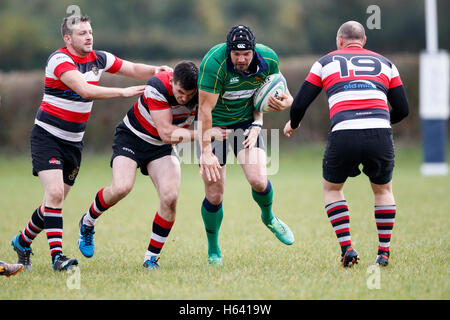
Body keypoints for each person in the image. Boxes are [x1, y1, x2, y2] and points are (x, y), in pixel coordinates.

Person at [11, 15, 172, 272]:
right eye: (82, 33)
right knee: (54, 196)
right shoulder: (59, 60)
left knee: (52, 204)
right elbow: (85, 89)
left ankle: (22, 241)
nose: (88, 36)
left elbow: (130, 68)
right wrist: (122, 92)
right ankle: (58, 258)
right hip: (47, 137)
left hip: (73, 143)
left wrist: (156, 71)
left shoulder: (98, 58)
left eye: (90, 31)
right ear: (68, 38)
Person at [77, 61, 226, 270]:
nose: (184, 98)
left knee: (170, 197)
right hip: (132, 139)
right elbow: (166, 133)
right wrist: (204, 134)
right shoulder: (158, 86)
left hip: (160, 149)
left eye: (189, 94)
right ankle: (88, 221)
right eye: (180, 92)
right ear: (173, 80)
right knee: (121, 187)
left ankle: (151, 258)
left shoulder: (201, 94)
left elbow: (207, 120)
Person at [284, 21, 409, 267]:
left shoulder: (325, 62)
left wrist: (294, 124)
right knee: (383, 191)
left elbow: (299, 104)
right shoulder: (387, 64)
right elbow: (403, 109)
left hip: (344, 134)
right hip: (380, 134)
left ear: (339, 40)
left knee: (332, 189)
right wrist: (380, 120)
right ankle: (383, 253)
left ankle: (347, 249)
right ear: (363, 42)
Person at [197, 24, 295, 266]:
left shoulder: (269, 58)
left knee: (259, 180)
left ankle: (270, 218)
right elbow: (204, 109)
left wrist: (283, 104)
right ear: (228, 51)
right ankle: (213, 250)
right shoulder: (213, 63)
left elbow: (281, 92)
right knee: (215, 195)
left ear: (254, 50)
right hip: (215, 127)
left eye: (246, 54)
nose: (241, 59)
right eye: (236, 54)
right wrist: (206, 151)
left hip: (246, 125)